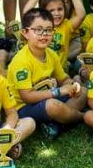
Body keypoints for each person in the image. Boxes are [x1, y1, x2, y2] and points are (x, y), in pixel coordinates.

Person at [7, 8, 86, 139]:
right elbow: (27, 97)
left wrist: (72, 86)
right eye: (38, 30)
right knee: (52, 105)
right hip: (23, 107)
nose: (44, 34)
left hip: (47, 98)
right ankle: (83, 117)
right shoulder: (21, 61)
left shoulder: (51, 54)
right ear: (25, 33)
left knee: (83, 91)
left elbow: (63, 79)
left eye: (49, 30)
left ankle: (57, 124)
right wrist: (58, 92)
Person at [24, 0, 86, 69]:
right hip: (39, 73)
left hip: (59, 73)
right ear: (43, 11)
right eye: (51, 10)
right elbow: (26, 12)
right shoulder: (39, 24)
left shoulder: (66, 25)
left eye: (60, 9)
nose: (56, 13)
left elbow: (81, 15)